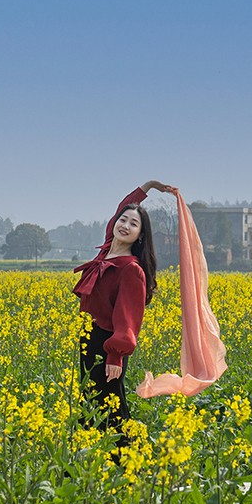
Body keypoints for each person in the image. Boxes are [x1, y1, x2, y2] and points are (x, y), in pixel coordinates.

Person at [72, 179, 176, 449]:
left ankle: (133, 462)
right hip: (89, 337)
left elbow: (128, 317)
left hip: (107, 344)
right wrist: (148, 187)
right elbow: (122, 207)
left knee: (113, 406)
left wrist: (116, 354)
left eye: (133, 224)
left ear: (140, 235)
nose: (125, 225)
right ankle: (88, 461)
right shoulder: (108, 249)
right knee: (90, 402)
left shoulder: (131, 269)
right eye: (123, 220)